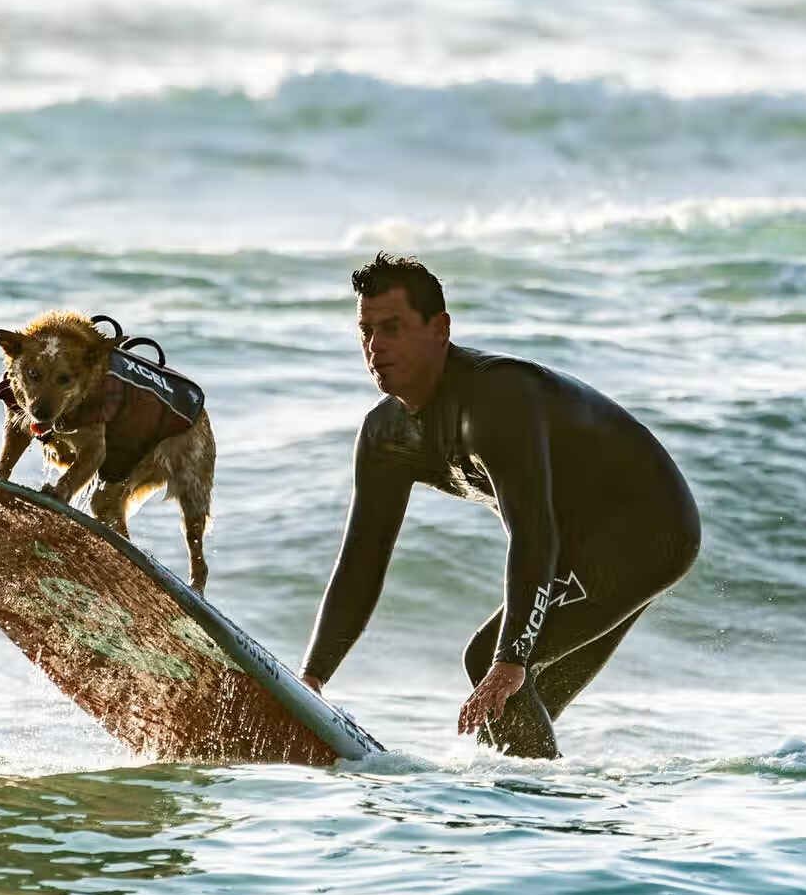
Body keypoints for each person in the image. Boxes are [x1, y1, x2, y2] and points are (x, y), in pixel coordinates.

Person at [300, 253, 700, 758]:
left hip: (649, 527)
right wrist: (312, 680)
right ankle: (544, 799)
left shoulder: (496, 398)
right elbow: (361, 561)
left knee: (495, 664)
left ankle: (539, 797)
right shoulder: (386, 436)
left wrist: (510, 657)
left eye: (392, 328)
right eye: (366, 331)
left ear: (439, 329)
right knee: (513, 718)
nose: (375, 347)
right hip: (575, 546)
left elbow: (533, 532)